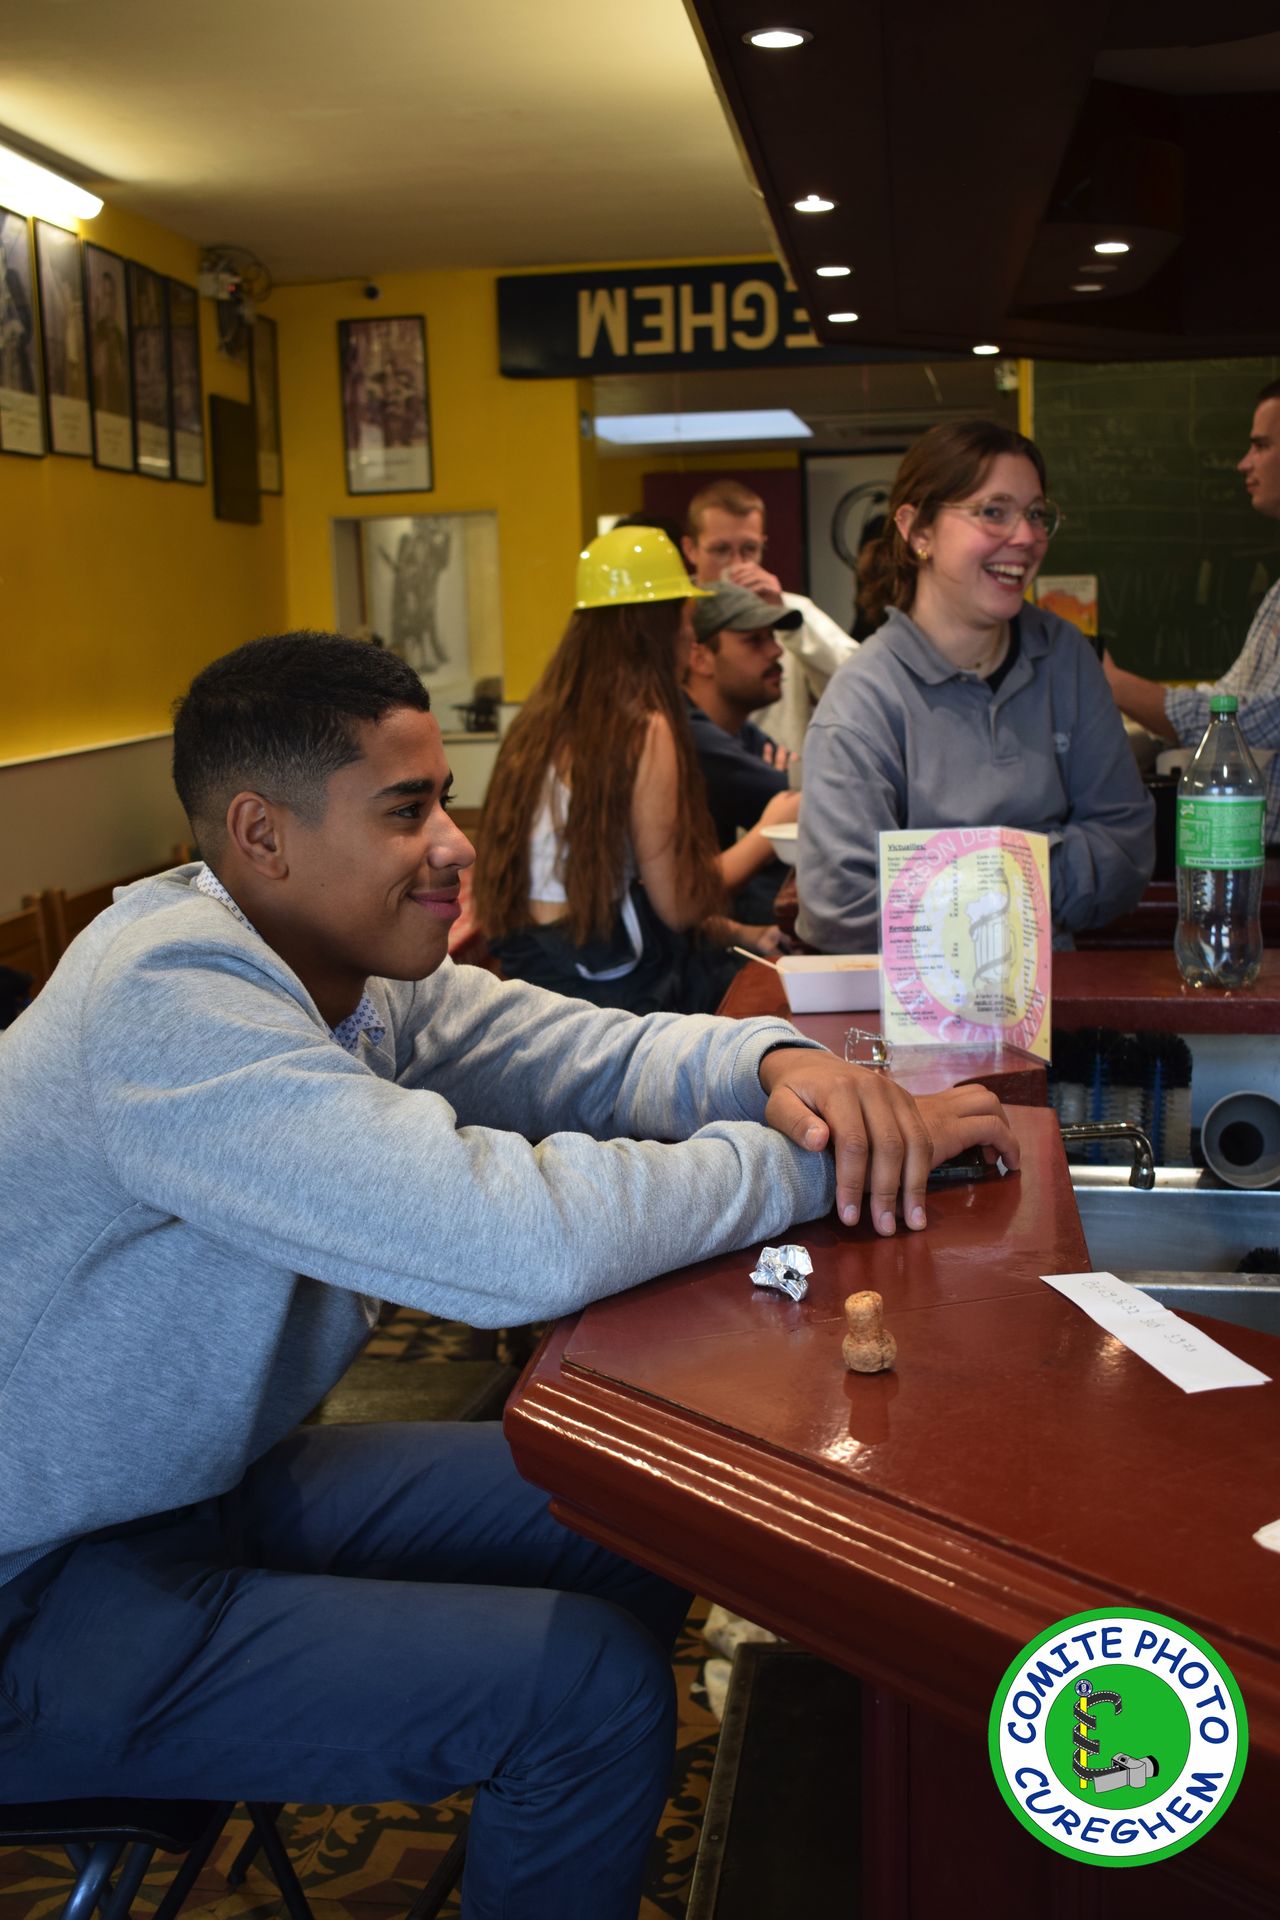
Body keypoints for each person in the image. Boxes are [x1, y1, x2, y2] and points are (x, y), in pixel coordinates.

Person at [0, 631, 1019, 1920]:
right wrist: (814, 1164)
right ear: (262, 836)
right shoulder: (171, 999)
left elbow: (583, 1054)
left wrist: (777, 1065)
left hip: (184, 1490)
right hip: (34, 1588)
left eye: (445, 801)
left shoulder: (335, 971)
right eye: (405, 811)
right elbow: (516, 1241)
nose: (454, 844)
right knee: (584, 1696)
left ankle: (544, 1839)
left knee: (634, 1497)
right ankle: (555, 1784)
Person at [796, 420, 1155, 953]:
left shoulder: (1066, 658)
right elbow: (841, 909)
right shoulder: (863, 701)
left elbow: (1126, 849)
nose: (1027, 537)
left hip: (1060, 994)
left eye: (1036, 514)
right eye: (994, 512)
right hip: (916, 1005)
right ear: (918, 531)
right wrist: (1040, 869)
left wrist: (937, 883)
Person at [477, 527, 793, 1014]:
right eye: (686, 618)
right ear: (664, 625)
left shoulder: (541, 718)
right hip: (604, 982)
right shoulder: (643, 727)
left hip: (536, 967)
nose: (690, 634)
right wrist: (769, 830)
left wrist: (739, 932)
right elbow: (680, 903)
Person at [1103, 380, 1280, 847]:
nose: (1244, 463)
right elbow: (1226, 698)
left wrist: (1113, 683)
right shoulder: (1278, 594)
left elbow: (1252, 722)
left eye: (1261, 445)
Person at [682, 478, 858, 757]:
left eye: (749, 549)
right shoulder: (676, 619)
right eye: (720, 550)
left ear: (763, 545)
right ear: (691, 549)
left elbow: (858, 685)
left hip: (780, 769)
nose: (737, 565)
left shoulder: (793, 611)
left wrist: (793, 627)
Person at [684, 580, 802, 924]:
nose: (776, 651)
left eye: (772, 637)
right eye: (755, 641)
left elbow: (796, 791)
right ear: (701, 659)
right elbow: (804, 802)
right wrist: (784, 806)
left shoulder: (735, 729)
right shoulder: (689, 735)